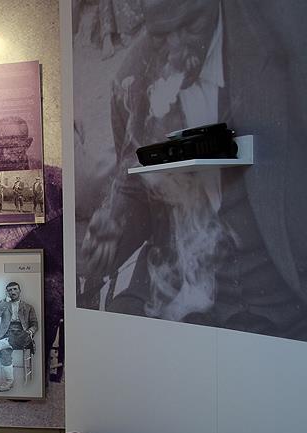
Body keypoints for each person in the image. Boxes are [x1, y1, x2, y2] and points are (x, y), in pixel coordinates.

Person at [78, 0, 307, 339]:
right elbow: (138, 185)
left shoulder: (284, 40)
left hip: (284, 292)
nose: (175, 49)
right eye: (161, 35)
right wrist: (116, 224)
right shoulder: (133, 77)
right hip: (183, 290)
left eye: (190, 28)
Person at [0, 282, 38, 391]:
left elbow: (35, 324)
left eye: (15, 289)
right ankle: (9, 381)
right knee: (4, 351)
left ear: (20, 291)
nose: (13, 292)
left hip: (23, 335)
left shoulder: (28, 307)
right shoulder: (4, 304)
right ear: (7, 292)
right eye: (10, 290)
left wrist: (30, 331)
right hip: (8, 334)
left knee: (17, 338)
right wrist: (4, 302)